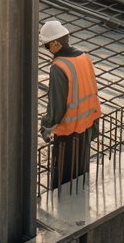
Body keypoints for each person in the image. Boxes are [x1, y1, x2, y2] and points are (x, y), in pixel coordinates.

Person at [39, 19, 101, 190]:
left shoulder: (59, 67)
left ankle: (63, 214)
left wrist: (46, 126)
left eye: (46, 46)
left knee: (63, 183)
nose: (47, 50)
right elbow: (92, 91)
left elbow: (56, 108)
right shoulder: (84, 57)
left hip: (68, 133)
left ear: (55, 43)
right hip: (86, 127)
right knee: (80, 176)